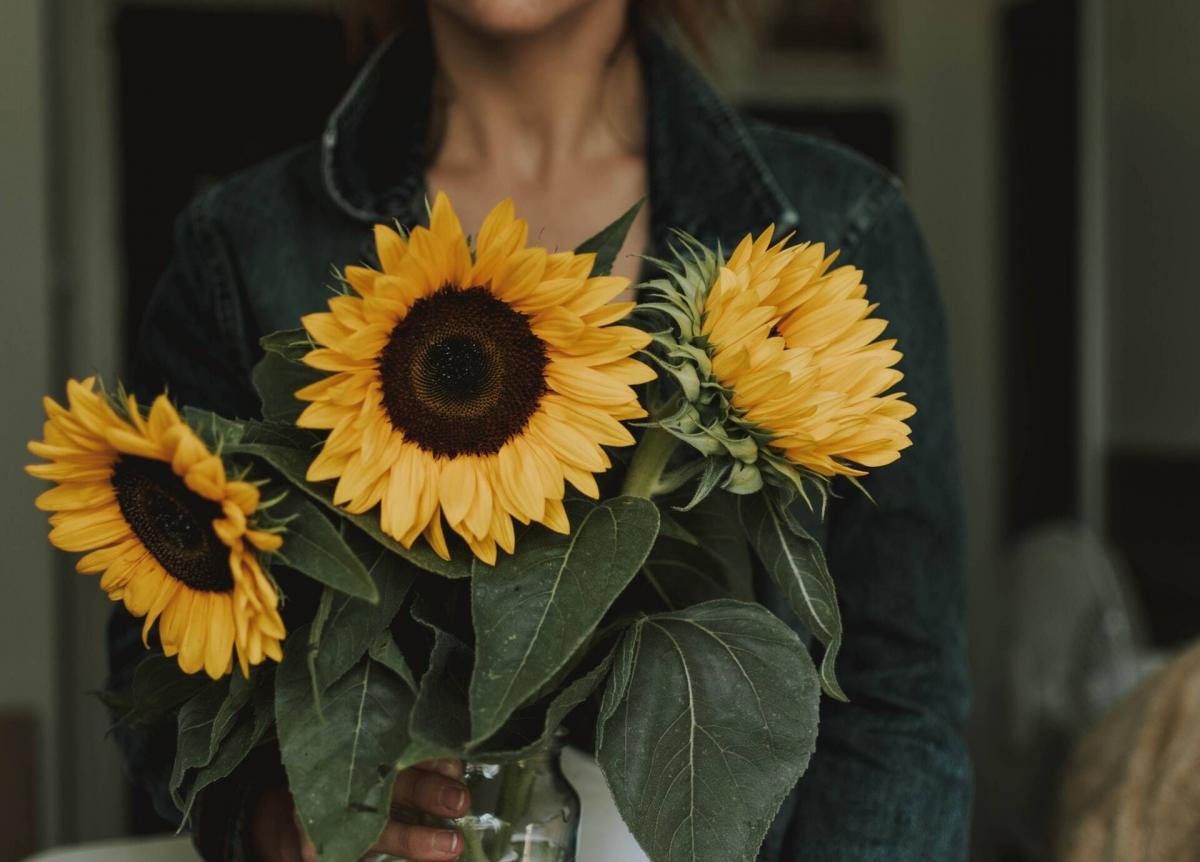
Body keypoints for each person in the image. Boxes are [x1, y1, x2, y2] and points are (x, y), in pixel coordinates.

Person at [111, 0, 971, 859]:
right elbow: (162, 659)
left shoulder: (839, 230)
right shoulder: (241, 247)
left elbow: (899, 697)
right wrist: (275, 819)